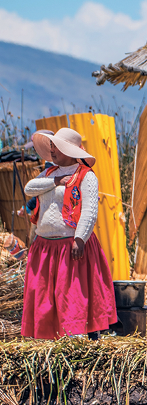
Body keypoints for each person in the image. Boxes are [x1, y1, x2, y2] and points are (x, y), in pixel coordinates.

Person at [20, 128, 116, 339]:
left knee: (71, 295)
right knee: (45, 295)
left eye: (57, 147)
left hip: (70, 246)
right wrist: (55, 182)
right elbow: (29, 189)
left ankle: (76, 337)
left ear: (69, 150)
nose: (53, 151)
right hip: (45, 246)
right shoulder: (48, 174)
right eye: (52, 147)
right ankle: (49, 337)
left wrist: (80, 238)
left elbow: (90, 211)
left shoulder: (85, 175)